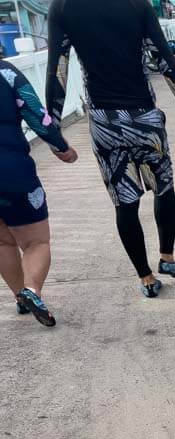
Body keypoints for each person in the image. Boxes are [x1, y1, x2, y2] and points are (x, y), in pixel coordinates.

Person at [46, 0, 175, 299]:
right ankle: (168, 258)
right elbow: (165, 60)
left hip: (104, 121)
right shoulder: (137, 4)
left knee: (125, 202)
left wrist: (53, 129)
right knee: (164, 187)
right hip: (145, 117)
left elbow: (57, 68)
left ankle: (146, 278)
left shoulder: (64, 7)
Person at [0, 59, 78, 326]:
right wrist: (61, 146)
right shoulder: (5, 72)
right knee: (36, 242)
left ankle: (21, 298)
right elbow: (35, 112)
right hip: (12, 172)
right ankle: (31, 290)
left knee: (2, 242)